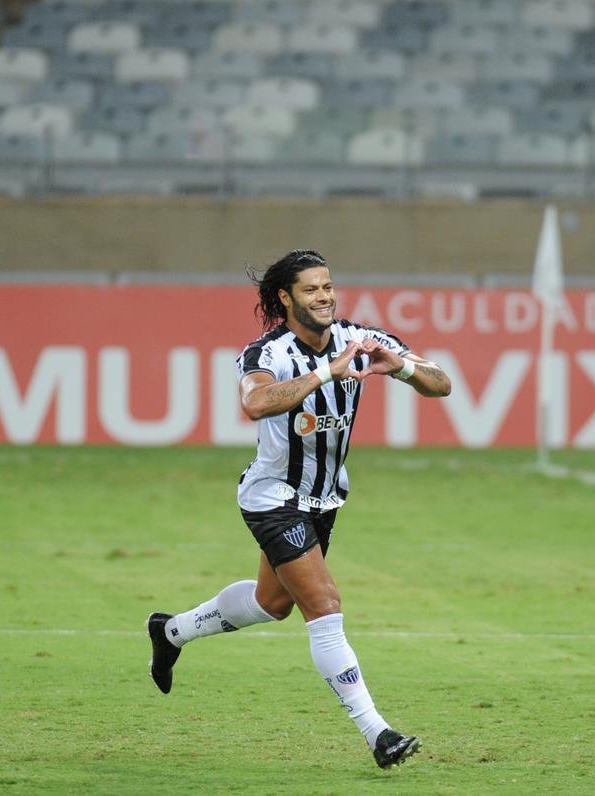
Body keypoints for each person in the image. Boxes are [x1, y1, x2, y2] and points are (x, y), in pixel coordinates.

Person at [146, 249, 452, 767]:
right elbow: (255, 403)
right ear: (285, 298)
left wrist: (399, 367)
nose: (325, 296)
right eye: (312, 289)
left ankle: (170, 631)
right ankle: (378, 734)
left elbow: (440, 383)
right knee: (324, 608)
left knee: (273, 604)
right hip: (273, 499)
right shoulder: (265, 354)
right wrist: (325, 375)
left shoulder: (363, 339)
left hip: (324, 498)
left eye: (329, 286)